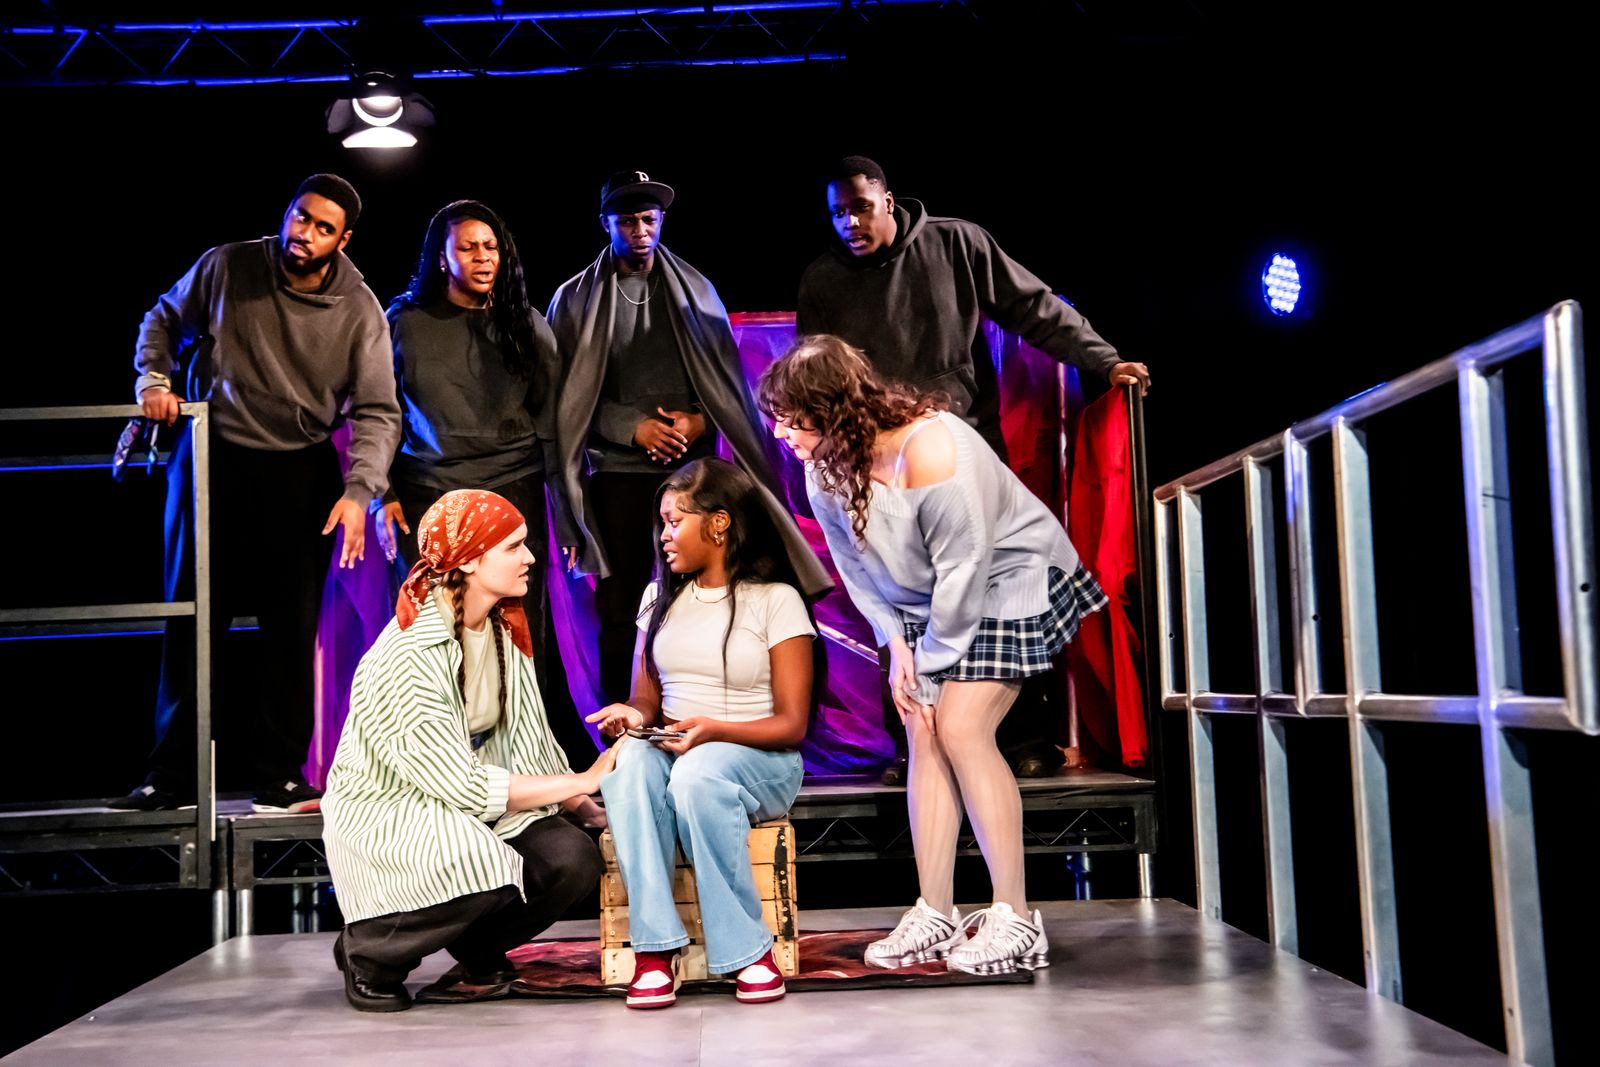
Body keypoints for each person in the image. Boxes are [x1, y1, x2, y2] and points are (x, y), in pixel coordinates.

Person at [759, 336, 1111, 976]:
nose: (781, 433)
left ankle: (1016, 917)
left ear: (832, 410)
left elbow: (966, 568)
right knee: (922, 729)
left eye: (792, 419)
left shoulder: (935, 450)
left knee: (961, 726)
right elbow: (856, 569)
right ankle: (936, 910)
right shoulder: (824, 469)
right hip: (928, 605)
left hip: (1008, 580)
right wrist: (896, 646)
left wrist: (932, 662)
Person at [795, 155, 1151, 781]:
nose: (850, 222)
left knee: (992, 586)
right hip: (875, 462)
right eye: (838, 213)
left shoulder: (955, 243)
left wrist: (1103, 360)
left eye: (860, 207)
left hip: (962, 448)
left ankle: (1022, 736)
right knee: (899, 592)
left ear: (888, 200)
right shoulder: (822, 280)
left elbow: (1032, 306)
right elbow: (812, 373)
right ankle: (914, 742)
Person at [116, 173, 402, 812]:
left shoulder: (359, 308)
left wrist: (359, 491)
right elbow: (163, 318)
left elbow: (379, 410)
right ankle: (171, 772)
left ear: (343, 240)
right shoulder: (229, 265)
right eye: (301, 217)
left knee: (291, 626)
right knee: (192, 616)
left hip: (298, 466)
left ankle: (279, 773)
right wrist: (153, 380)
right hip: (212, 455)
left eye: (323, 228)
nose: (305, 234)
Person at [322, 489, 615, 1013]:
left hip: (465, 797)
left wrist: (581, 805)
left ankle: (478, 947)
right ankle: (371, 952)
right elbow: (461, 786)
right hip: (396, 805)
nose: (530, 558)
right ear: (469, 560)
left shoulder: (501, 629)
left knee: (570, 858)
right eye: (513, 547)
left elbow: (529, 739)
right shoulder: (409, 654)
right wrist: (585, 779)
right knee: (475, 860)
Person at [549, 169, 830, 706]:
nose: (640, 231)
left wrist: (702, 420)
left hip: (693, 474)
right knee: (624, 605)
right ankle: (623, 728)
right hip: (618, 475)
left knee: (705, 593)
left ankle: (705, 711)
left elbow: (724, 383)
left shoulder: (695, 291)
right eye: (627, 221)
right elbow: (565, 398)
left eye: (649, 219)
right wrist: (631, 428)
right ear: (605, 223)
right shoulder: (575, 300)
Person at [586, 458, 814, 1008]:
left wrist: (713, 731)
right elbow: (647, 700)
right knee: (631, 766)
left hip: (761, 760)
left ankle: (747, 951)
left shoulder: (775, 599)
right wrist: (632, 718)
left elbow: (792, 724)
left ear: (718, 523)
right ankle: (655, 948)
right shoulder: (658, 599)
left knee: (697, 775)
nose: (663, 535)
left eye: (674, 521)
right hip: (679, 749)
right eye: (662, 523)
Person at [374, 199, 592, 768]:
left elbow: (553, 426)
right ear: (441, 257)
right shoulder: (403, 324)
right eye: (468, 247)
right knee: (432, 625)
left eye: (490, 246)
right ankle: (437, 757)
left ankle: (524, 761)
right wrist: (382, 495)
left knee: (517, 627)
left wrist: (567, 515)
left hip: (511, 489)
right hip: (429, 492)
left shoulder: (525, 324)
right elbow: (379, 414)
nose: (482, 257)